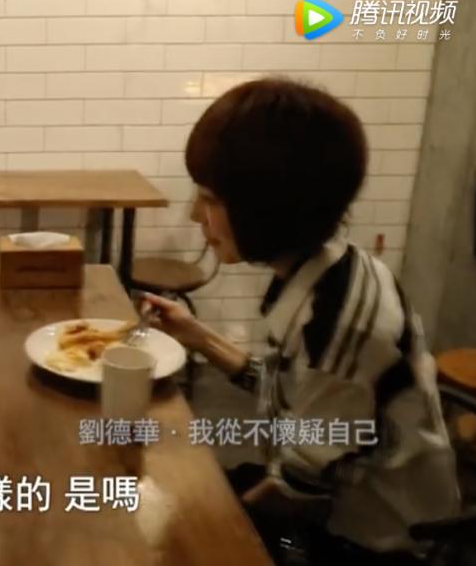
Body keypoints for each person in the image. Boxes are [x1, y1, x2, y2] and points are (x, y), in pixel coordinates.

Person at [143, 78, 459, 563]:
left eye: (211, 200)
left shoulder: (338, 327)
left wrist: (193, 523)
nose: (194, 215)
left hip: (369, 538)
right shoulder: (325, 266)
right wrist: (197, 336)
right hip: (315, 481)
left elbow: (298, 493)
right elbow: (292, 390)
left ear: (269, 207)